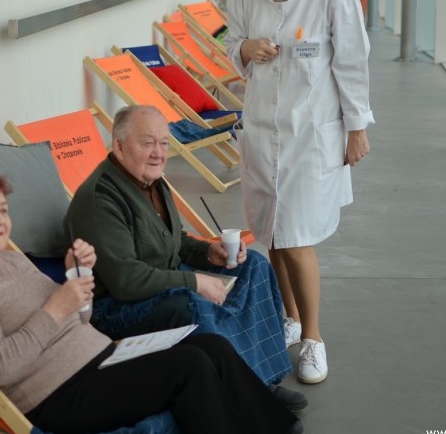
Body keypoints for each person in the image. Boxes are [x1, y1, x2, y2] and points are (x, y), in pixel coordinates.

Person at [0, 166, 304, 434]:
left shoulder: (11, 261)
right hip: (59, 394)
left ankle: (276, 429)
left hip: (102, 359)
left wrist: (78, 281)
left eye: (3, 211)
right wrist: (54, 308)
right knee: (187, 366)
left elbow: (80, 319)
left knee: (210, 345)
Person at [223, 0, 375, 385]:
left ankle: (313, 339)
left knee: (300, 235)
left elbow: (352, 65)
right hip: (262, 135)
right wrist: (246, 49)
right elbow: (228, 50)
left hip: (312, 136)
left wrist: (356, 128)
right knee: (273, 235)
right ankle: (288, 319)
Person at [63, 105, 305, 410]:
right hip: (118, 309)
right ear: (119, 146)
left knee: (253, 265)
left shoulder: (153, 182)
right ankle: (242, 396)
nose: (158, 153)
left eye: (164, 143)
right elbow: (126, 281)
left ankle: (262, 379)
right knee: (191, 301)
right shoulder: (101, 200)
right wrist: (195, 282)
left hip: (162, 280)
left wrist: (209, 253)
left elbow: (175, 240)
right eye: (147, 142)